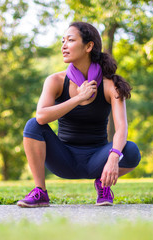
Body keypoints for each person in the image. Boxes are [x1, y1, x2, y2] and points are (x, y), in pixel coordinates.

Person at [17, 22, 141, 208]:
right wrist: (78, 98)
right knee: (32, 125)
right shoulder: (55, 81)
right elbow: (41, 116)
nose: (64, 46)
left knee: (130, 150)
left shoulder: (109, 85)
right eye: (62, 41)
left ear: (89, 46)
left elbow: (122, 128)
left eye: (70, 40)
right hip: (63, 158)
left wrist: (113, 158)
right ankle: (40, 192)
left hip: (98, 159)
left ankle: (103, 183)